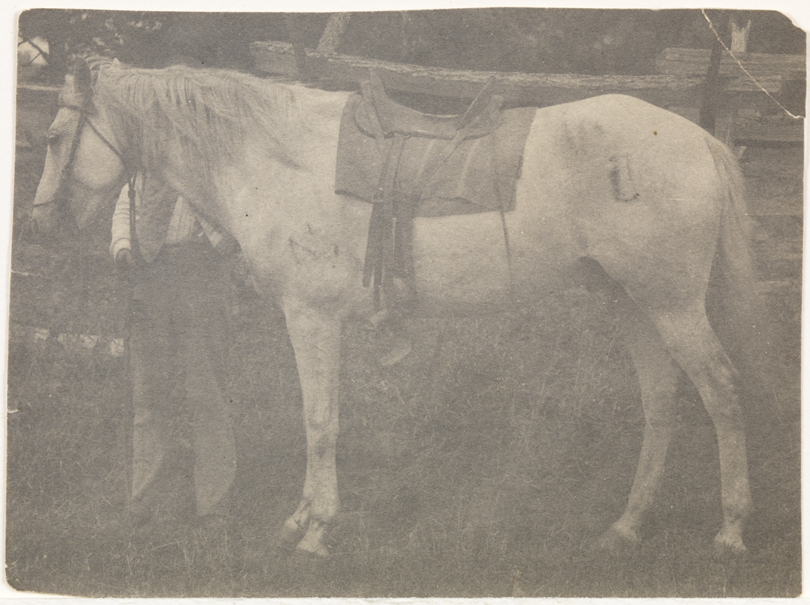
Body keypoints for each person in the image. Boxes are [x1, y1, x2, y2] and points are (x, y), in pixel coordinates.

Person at [112, 174, 237, 530]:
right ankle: (142, 499)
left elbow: (237, 217)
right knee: (149, 394)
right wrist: (123, 246)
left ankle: (214, 505)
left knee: (207, 393)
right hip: (150, 277)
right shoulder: (148, 167)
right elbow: (127, 203)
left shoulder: (210, 166)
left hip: (204, 276)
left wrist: (219, 241)